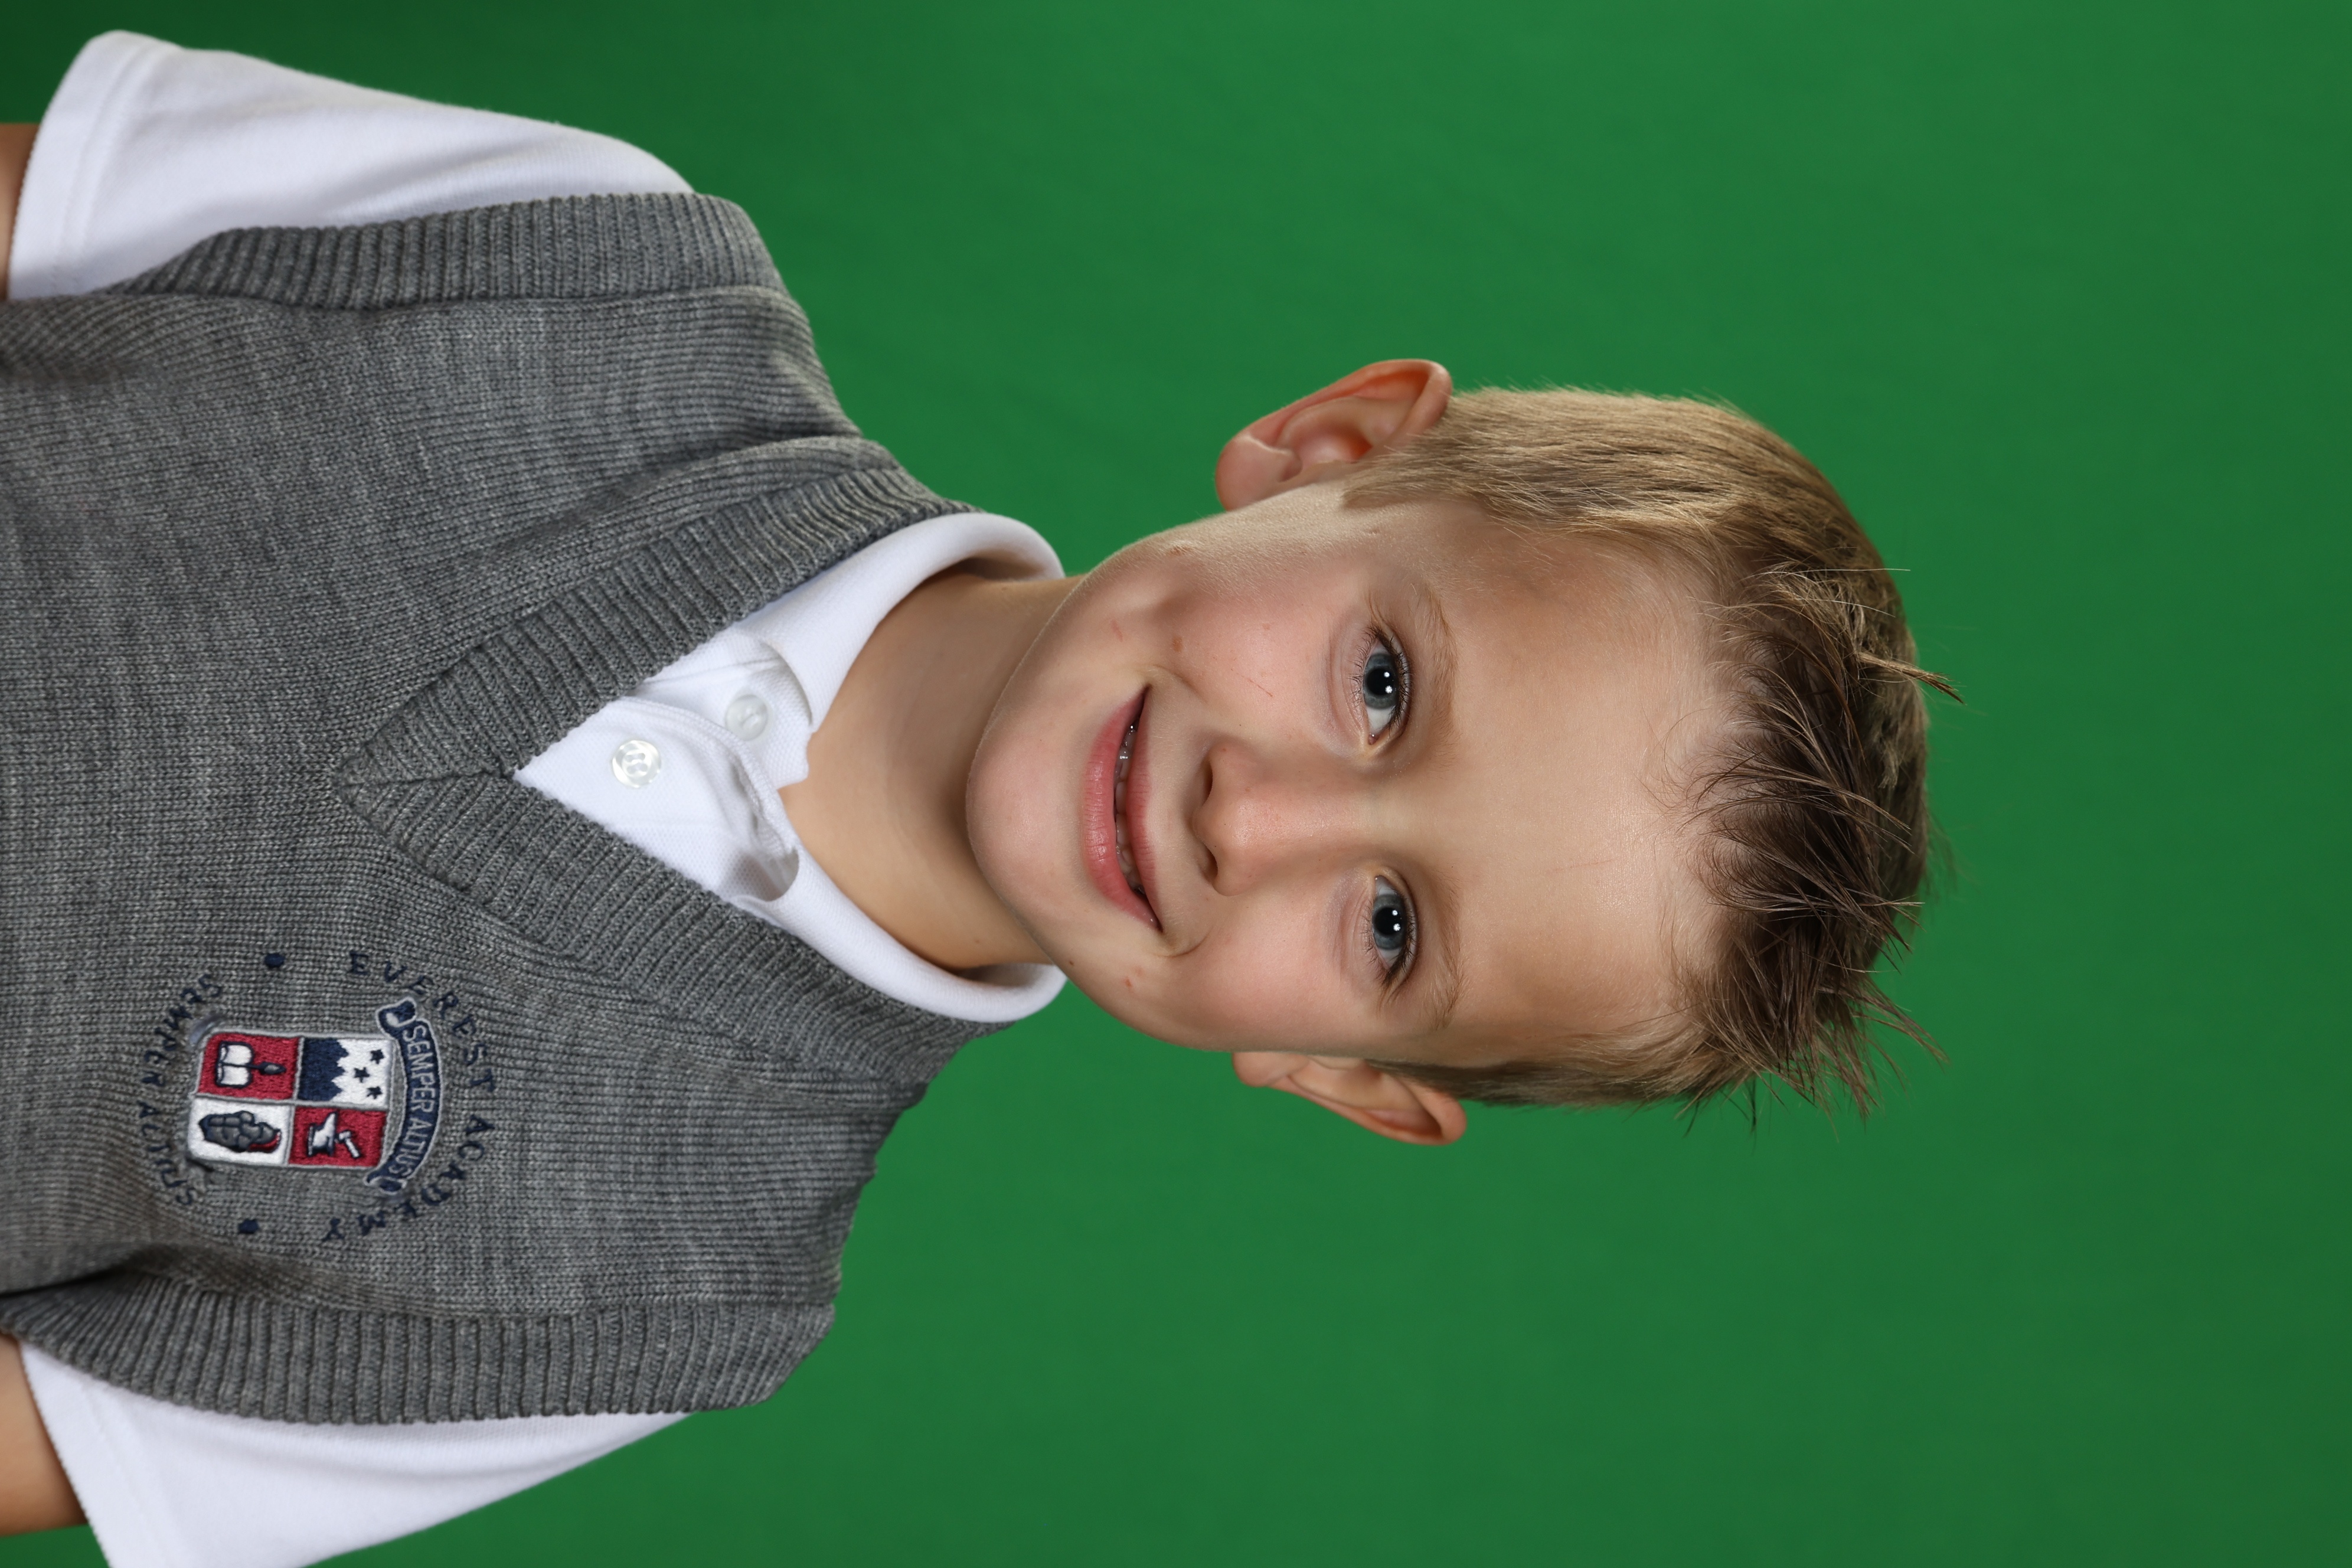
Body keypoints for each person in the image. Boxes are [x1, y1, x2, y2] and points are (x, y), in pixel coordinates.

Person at [0, 32, 1941, 1568]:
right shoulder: (578, 255)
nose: (1256, 823)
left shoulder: (644, 1303)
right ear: (1336, 447)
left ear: (1344, 1073)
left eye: (1388, 927)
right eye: (1381, 686)